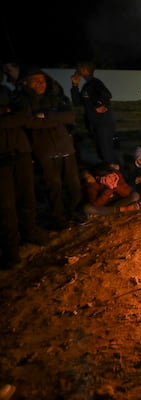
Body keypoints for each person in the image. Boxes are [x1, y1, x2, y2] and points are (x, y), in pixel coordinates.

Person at [13, 67, 82, 230]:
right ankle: (59, 218)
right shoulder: (21, 100)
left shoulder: (56, 97)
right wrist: (55, 119)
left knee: (73, 184)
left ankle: (75, 212)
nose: (40, 84)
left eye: (42, 80)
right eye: (35, 80)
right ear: (25, 82)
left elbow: (70, 116)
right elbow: (27, 122)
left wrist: (46, 116)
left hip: (65, 146)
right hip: (43, 149)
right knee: (53, 186)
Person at [0, 71, 49, 268]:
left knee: (27, 196)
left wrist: (10, 115)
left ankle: (30, 232)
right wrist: (11, 115)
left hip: (20, 151)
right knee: (6, 205)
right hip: (1, 157)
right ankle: (11, 250)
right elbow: (22, 117)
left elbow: (27, 117)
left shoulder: (9, 92)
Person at [70, 60, 121, 167]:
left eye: (80, 68)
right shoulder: (86, 86)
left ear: (85, 70)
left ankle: (120, 176)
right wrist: (74, 85)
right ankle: (113, 174)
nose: (77, 70)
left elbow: (106, 94)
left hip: (104, 123)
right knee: (102, 153)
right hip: (95, 124)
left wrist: (100, 104)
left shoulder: (95, 83)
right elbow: (77, 102)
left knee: (106, 153)